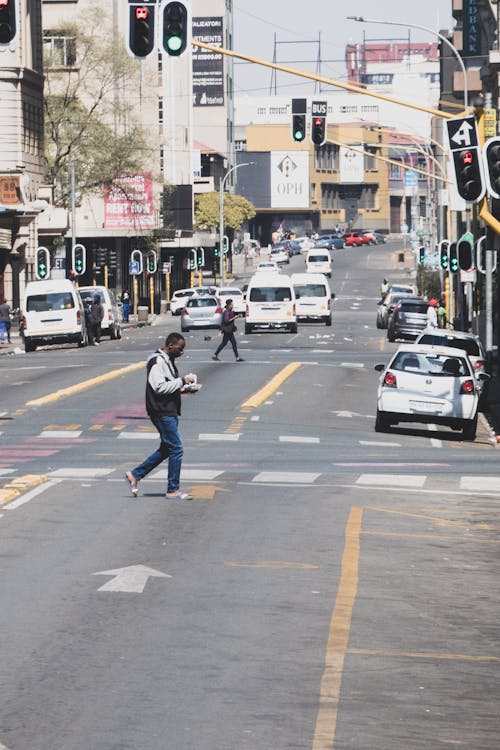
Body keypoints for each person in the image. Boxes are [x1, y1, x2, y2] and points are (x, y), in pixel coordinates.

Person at [125, 333, 196, 500]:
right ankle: (173, 489)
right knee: (177, 447)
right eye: (180, 348)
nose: (182, 352)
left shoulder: (167, 361)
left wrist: (184, 389)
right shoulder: (156, 361)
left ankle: (135, 475)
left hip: (168, 409)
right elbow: (158, 386)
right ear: (170, 345)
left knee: (167, 448)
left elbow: (167, 385)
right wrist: (182, 381)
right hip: (161, 411)